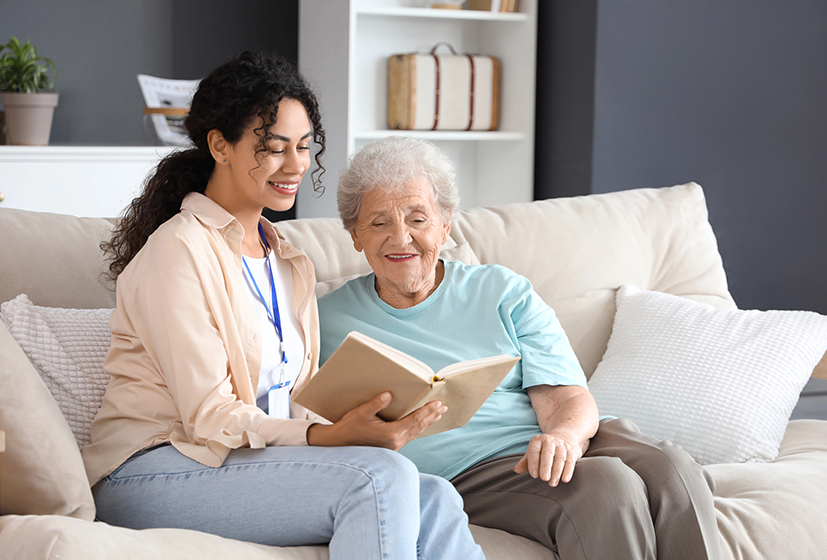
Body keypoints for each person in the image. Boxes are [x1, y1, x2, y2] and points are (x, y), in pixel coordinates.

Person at [82, 52, 484, 560]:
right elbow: (209, 416)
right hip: (152, 470)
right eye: (274, 148)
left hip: (242, 461)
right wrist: (326, 437)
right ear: (219, 146)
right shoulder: (178, 250)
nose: (296, 165)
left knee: (437, 496)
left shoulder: (289, 260)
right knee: (377, 479)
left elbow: (293, 400)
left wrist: (354, 425)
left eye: (303, 147)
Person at [317, 135, 723, 560]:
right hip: (471, 472)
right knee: (606, 487)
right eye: (379, 223)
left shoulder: (501, 290)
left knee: (673, 468)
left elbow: (565, 395)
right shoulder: (323, 320)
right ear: (354, 234)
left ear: (445, 224)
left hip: (556, 436)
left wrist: (564, 437)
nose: (401, 238)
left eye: (418, 219)